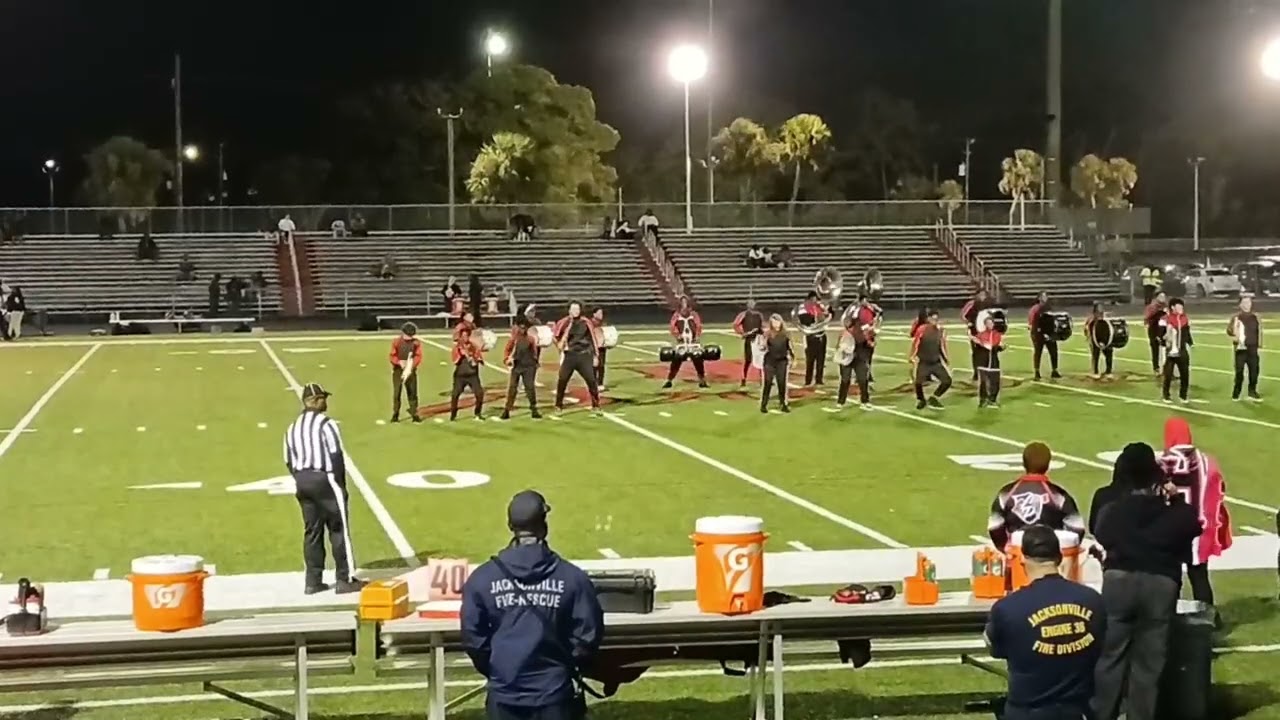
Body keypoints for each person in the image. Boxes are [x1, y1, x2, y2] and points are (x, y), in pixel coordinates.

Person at [461, 491, 604, 720]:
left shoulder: (482, 579)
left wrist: (499, 668)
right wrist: (563, 667)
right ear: (544, 526)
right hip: (555, 695)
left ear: (510, 526)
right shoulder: (572, 577)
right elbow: (588, 635)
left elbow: (473, 638)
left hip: (504, 695)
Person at [1091, 442, 1203, 720]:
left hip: (1119, 582)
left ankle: (1102, 715)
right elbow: (1192, 524)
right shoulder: (1173, 512)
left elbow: (1102, 534)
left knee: (1110, 658)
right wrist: (1175, 499)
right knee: (1149, 664)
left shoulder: (1113, 510)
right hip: (1160, 584)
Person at [985, 524, 1105, 720]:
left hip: (1027, 712)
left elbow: (995, 649)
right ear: (1059, 557)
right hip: (1079, 711)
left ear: (1022, 559)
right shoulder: (1093, 600)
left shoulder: (1007, 608)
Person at [282, 383, 366, 595]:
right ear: (315, 400)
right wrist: (340, 486)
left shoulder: (292, 427)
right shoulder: (326, 424)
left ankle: (313, 581)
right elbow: (336, 456)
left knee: (312, 531)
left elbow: (288, 459)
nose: (326, 402)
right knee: (338, 528)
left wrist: (301, 478)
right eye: (323, 398)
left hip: (302, 480)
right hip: (325, 478)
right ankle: (344, 578)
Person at [1159, 417, 1231, 609]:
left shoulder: (1164, 462)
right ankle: (1207, 617)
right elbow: (1219, 490)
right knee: (1199, 576)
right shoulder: (1207, 461)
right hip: (1201, 526)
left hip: (1171, 527)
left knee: (1171, 577)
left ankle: (1169, 617)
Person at [987, 442, 1086, 549]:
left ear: (1024, 463)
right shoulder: (1058, 495)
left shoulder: (1006, 493)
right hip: (1049, 553)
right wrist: (1060, 549)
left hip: (1016, 553)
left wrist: (1005, 548)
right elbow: (1077, 527)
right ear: (1048, 465)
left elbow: (995, 526)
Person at [552, 301, 602, 412]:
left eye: (577, 309)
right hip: (570, 355)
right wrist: (561, 345)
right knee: (562, 379)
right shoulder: (564, 322)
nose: (575, 311)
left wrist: (596, 355)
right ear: (569, 310)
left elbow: (593, 339)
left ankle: (596, 405)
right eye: (573, 309)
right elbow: (555, 336)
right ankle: (558, 405)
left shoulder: (586, 322)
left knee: (591, 380)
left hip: (584, 355)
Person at [909, 308, 952, 410]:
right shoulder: (922, 329)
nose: (935, 321)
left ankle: (934, 398)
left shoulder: (941, 331)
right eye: (933, 319)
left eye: (936, 319)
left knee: (947, 381)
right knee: (918, 383)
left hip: (936, 362)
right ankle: (921, 400)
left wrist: (945, 358)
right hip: (924, 362)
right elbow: (916, 343)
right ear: (928, 319)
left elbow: (942, 345)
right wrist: (912, 356)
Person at [664, 296, 709, 389]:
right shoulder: (676, 316)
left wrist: (697, 336)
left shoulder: (694, 315)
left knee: (697, 357)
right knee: (677, 358)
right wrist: (677, 336)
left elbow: (698, 326)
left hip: (693, 341)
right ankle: (669, 380)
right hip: (682, 342)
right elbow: (672, 327)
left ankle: (702, 380)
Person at [502, 317, 542, 420]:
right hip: (517, 366)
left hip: (529, 366)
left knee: (530, 388)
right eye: (521, 327)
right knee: (512, 388)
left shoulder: (530, 339)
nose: (522, 330)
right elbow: (507, 350)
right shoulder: (514, 340)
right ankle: (507, 410)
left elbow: (535, 352)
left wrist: (535, 362)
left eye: (524, 328)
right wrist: (507, 360)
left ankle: (534, 409)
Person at [834, 303, 872, 409]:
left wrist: (869, 341)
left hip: (859, 356)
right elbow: (838, 346)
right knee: (845, 380)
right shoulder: (845, 333)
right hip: (847, 357)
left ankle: (865, 400)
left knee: (862, 379)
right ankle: (841, 401)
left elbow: (868, 342)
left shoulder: (862, 331)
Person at [1227, 295, 1262, 401]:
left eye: (1249, 302)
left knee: (1254, 371)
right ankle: (1236, 393)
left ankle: (1252, 391)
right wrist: (1235, 336)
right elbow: (1229, 331)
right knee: (1239, 372)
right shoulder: (1236, 318)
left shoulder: (1255, 317)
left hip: (1252, 348)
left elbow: (1258, 331)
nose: (1247, 305)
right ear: (1240, 305)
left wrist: (1259, 343)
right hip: (1241, 349)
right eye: (1245, 303)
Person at [450, 323, 486, 421]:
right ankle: (453, 414)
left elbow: (479, 359)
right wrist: (461, 354)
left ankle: (477, 413)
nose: (465, 338)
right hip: (460, 376)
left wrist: (474, 359)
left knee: (479, 394)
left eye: (466, 336)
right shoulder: (457, 348)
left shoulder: (473, 347)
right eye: (463, 336)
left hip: (472, 375)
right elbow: (454, 360)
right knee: (455, 395)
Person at [1160, 298, 1193, 404]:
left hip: (1181, 350)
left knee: (1185, 374)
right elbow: (1160, 334)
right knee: (1168, 374)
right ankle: (1166, 395)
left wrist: (1190, 343)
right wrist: (1165, 340)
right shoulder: (1165, 319)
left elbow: (1187, 333)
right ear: (1173, 307)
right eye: (1178, 306)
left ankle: (1183, 395)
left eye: (1181, 306)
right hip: (1170, 351)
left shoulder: (1184, 319)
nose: (1181, 308)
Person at [388, 322, 423, 423]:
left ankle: (414, 414)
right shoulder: (396, 342)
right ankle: (395, 414)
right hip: (398, 371)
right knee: (397, 393)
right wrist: (399, 362)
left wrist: (410, 365)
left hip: (410, 370)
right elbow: (392, 355)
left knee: (412, 393)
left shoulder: (416, 343)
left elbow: (418, 356)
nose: (409, 337)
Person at [759, 314, 793, 414]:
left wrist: (793, 358)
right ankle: (764, 404)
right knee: (768, 382)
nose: (776, 324)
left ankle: (783, 404)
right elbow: (763, 347)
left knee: (781, 383)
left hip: (782, 361)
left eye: (777, 322)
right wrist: (762, 344)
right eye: (774, 322)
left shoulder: (786, 334)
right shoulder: (768, 333)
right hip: (770, 361)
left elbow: (790, 347)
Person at [971, 313, 1005, 408]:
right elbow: (977, 349)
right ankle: (983, 400)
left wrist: (981, 343)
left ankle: (992, 399)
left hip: (993, 361)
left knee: (995, 381)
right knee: (983, 382)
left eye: (991, 323)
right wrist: (977, 342)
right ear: (985, 324)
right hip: (983, 361)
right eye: (988, 323)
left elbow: (993, 346)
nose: (990, 325)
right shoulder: (981, 335)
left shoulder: (997, 335)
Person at [798, 291, 830, 386]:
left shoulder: (820, 307)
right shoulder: (804, 308)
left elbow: (827, 316)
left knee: (821, 359)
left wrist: (825, 312)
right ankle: (808, 380)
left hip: (821, 335)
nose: (815, 301)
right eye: (813, 299)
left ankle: (819, 379)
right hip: (811, 336)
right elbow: (803, 320)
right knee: (810, 360)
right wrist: (814, 320)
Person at [1028, 291, 1062, 381]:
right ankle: (1037, 372)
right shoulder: (1036, 309)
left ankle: (1054, 370)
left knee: (1054, 351)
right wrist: (1038, 332)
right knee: (1038, 352)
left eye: (1046, 296)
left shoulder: (1048, 308)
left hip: (1049, 332)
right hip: (1038, 333)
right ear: (1039, 298)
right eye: (1043, 296)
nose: (1045, 298)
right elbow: (1033, 322)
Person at [733, 298, 766, 387]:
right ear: (747, 305)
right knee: (748, 360)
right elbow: (735, 324)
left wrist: (764, 335)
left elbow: (762, 326)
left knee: (760, 359)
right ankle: (744, 378)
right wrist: (742, 333)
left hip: (758, 339)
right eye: (750, 303)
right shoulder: (743, 314)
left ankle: (762, 379)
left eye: (753, 303)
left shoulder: (759, 315)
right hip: (749, 339)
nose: (752, 305)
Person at [961, 288, 992, 382]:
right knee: (976, 353)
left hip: (986, 332)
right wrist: (969, 323)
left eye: (984, 295)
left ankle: (986, 371)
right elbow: (963, 315)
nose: (982, 297)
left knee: (987, 352)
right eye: (981, 294)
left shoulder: (988, 305)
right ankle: (976, 372)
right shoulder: (972, 304)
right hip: (975, 332)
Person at [1084, 302, 1115, 379]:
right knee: (1095, 353)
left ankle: (1108, 371)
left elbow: (1110, 329)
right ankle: (1095, 371)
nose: (1100, 314)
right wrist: (1090, 338)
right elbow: (1087, 330)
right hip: (1095, 339)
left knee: (1109, 352)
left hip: (1106, 339)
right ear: (1094, 312)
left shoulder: (1106, 320)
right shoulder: (1091, 320)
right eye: (1098, 312)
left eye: (1101, 312)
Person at [1143, 291, 1168, 374]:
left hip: (1164, 329)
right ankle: (1156, 368)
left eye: (1164, 296)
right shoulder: (1152, 306)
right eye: (1161, 296)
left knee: (1166, 348)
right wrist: (1159, 312)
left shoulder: (1166, 306)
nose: (1163, 298)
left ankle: (1166, 368)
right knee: (1155, 348)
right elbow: (1147, 317)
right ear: (1157, 297)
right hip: (1154, 328)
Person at [590, 307, 610, 390]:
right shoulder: (591, 323)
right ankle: (593, 383)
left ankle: (600, 383)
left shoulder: (603, 323)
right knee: (594, 365)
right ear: (594, 314)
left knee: (601, 365)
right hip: (593, 346)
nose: (601, 315)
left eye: (601, 313)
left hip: (602, 346)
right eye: (599, 313)